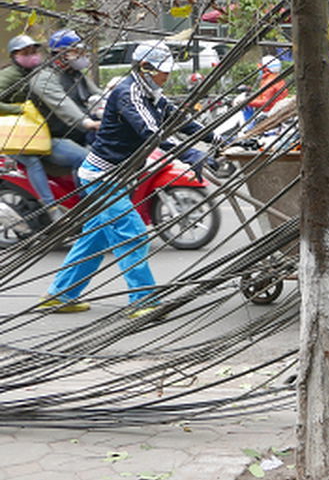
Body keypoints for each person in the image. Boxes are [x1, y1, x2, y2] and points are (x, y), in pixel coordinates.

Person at [40, 42, 212, 316]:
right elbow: (153, 133)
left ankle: (60, 295)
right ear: (145, 68)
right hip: (102, 177)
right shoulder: (129, 94)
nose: (166, 76)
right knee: (133, 236)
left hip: (114, 176)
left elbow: (178, 119)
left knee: (94, 239)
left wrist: (215, 137)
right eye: (162, 72)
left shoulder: (151, 92)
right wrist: (190, 153)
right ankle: (143, 302)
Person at [0, 35, 91, 221]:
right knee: (32, 161)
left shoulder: (41, 73)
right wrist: (19, 109)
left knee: (83, 155)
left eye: (34, 51)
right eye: (26, 53)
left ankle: (83, 205)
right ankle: (51, 207)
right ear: (15, 56)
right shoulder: (9, 75)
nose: (32, 55)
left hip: (36, 130)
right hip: (15, 133)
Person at [245, 54, 289, 123]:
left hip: (269, 112)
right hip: (275, 110)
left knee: (247, 128)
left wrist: (247, 102)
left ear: (266, 69)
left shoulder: (270, 82)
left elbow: (265, 102)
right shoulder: (276, 78)